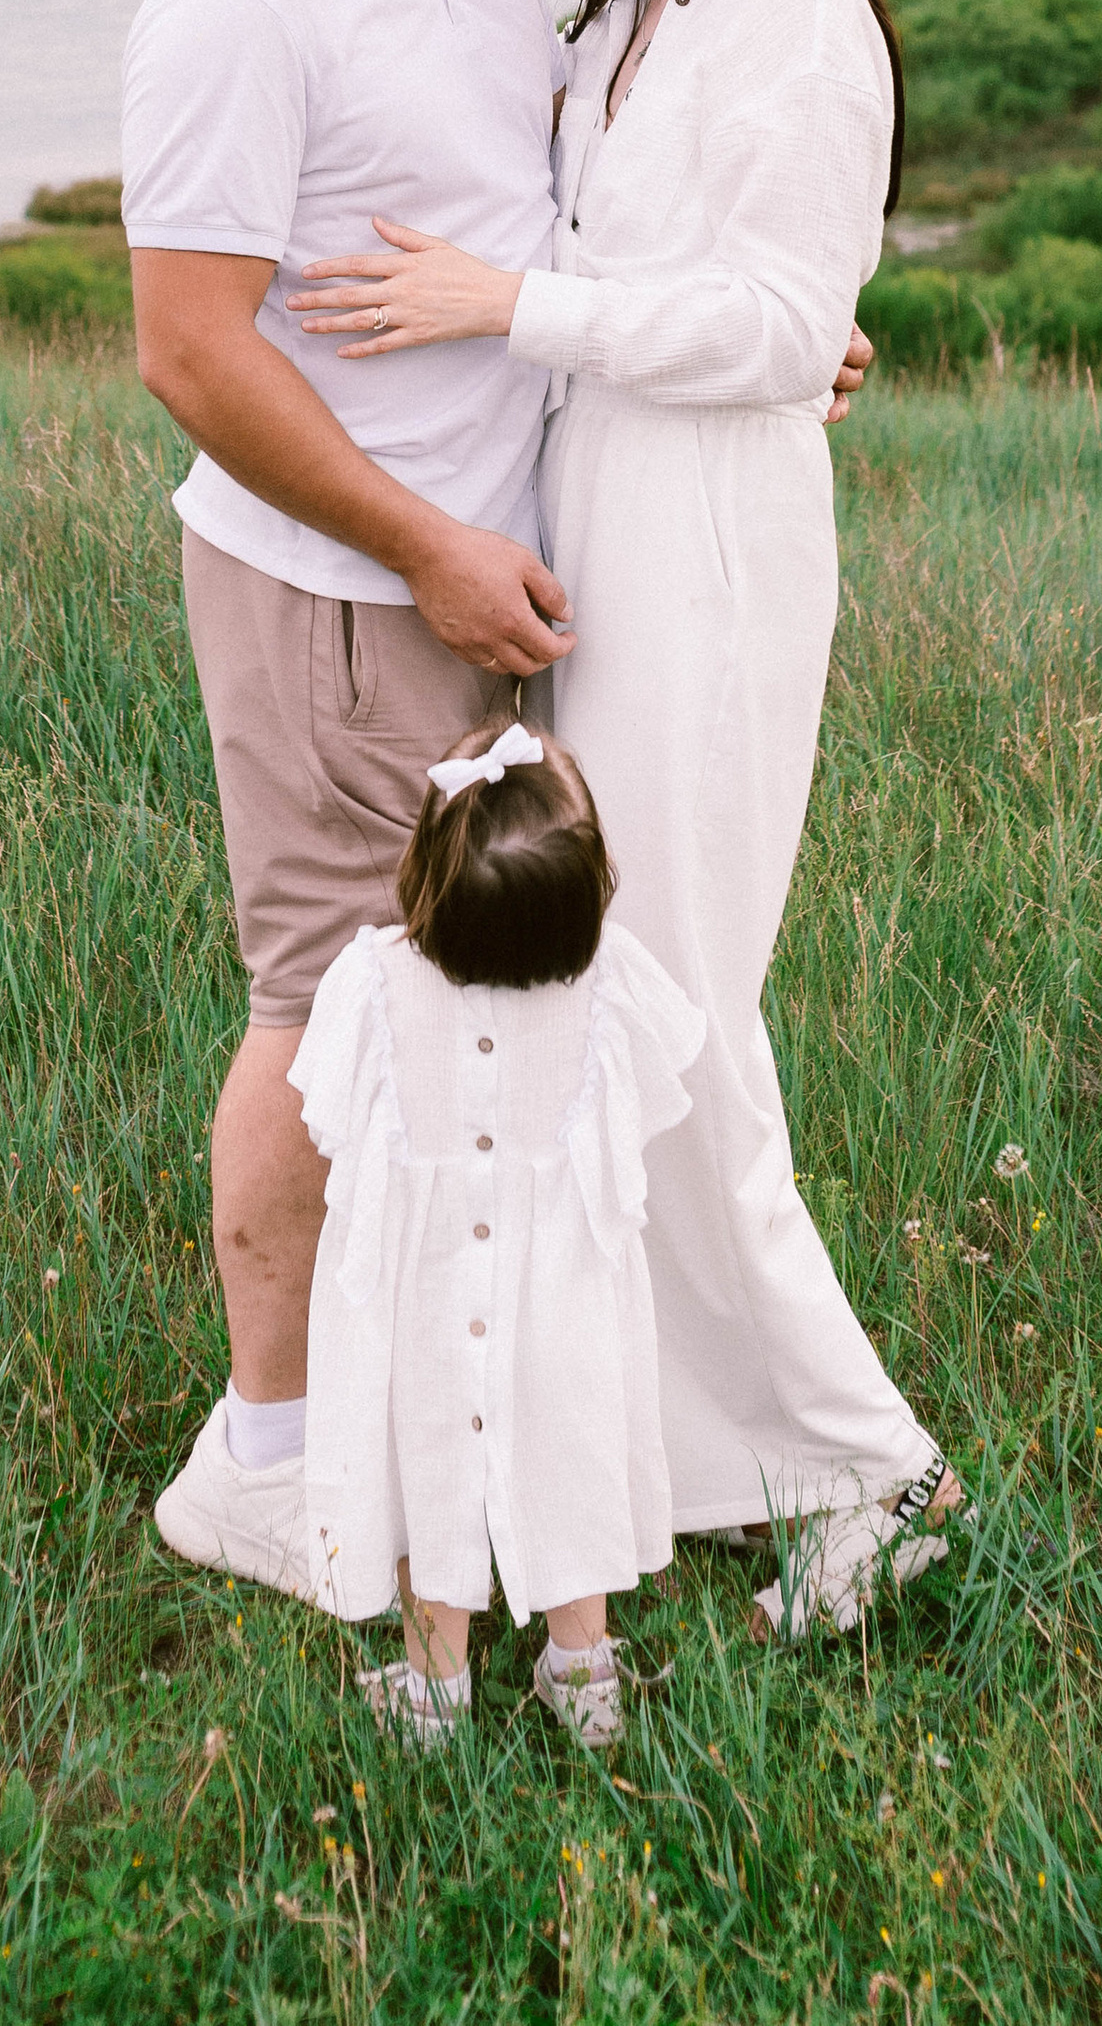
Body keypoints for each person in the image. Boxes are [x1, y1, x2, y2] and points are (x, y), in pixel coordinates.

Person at [286, 0, 957, 1638]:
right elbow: (693, 292)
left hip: (711, 561)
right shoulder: (617, 10)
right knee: (611, 1014)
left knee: (672, 1017)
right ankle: (696, 1456)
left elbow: (767, 321)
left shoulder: (803, 21)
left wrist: (513, 305)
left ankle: (869, 1466)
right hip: (594, 538)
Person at [120, 0, 575, 1599]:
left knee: (471, 1015)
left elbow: (529, 205)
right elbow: (193, 354)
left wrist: (746, 340)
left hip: (482, 567)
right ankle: (265, 1460)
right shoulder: (229, 6)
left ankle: (441, 1419)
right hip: (337, 587)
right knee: (324, 1012)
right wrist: (422, 551)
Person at [291, 721, 702, 1749]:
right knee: (571, 1451)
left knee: (427, 1462)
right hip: (563, 1302)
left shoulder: (372, 987)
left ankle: (437, 1681)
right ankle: (582, 1667)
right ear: (586, 894)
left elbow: (326, 1125)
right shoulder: (613, 986)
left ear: (424, 872)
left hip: (418, 1306)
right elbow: (654, 1110)